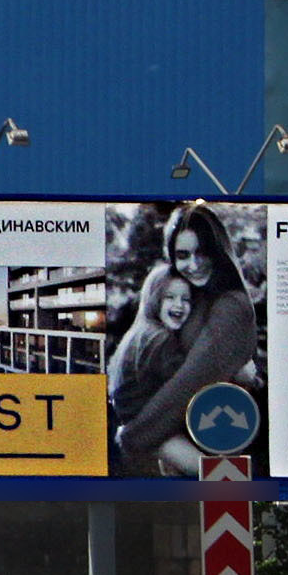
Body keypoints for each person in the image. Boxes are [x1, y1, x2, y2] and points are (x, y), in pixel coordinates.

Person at [113, 204, 259, 477]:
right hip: (179, 435)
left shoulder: (230, 305)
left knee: (225, 489)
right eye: (183, 255)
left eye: (203, 252)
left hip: (214, 434)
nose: (193, 265)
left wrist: (133, 436)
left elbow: (190, 382)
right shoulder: (194, 294)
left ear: (219, 251)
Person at [107, 266, 194, 439]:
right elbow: (186, 386)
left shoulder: (141, 331)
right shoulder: (161, 338)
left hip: (131, 424)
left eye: (186, 299)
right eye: (169, 297)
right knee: (216, 464)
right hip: (146, 432)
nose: (179, 305)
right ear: (154, 299)